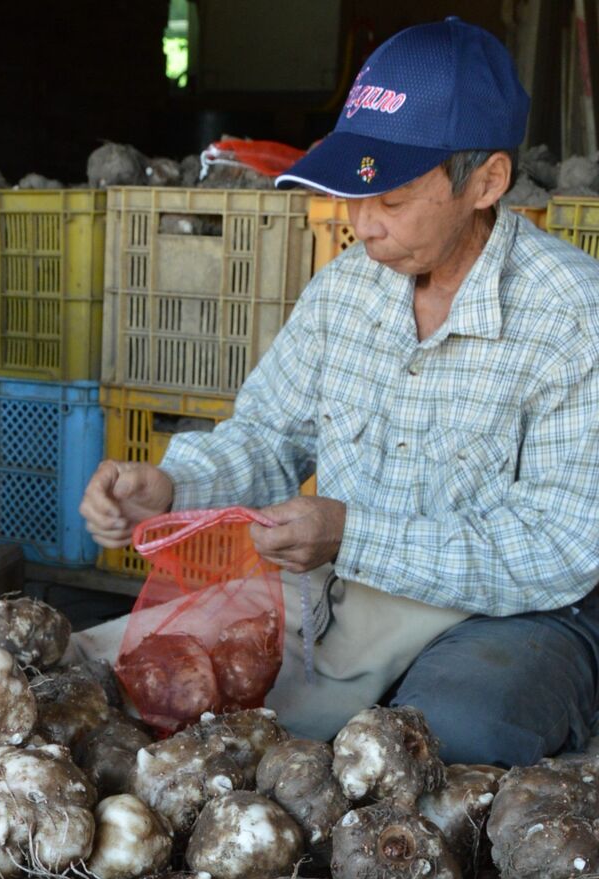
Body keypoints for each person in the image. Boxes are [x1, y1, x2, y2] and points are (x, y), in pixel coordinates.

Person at [80, 17, 599, 767]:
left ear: (486, 181)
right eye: (354, 197)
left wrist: (353, 535)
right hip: (346, 590)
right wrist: (169, 483)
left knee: (454, 734)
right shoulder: (348, 289)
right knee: (111, 676)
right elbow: (269, 435)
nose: (363, 225)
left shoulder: (573, 313)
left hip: (513, 610)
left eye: (392, 201)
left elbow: (558, 547)